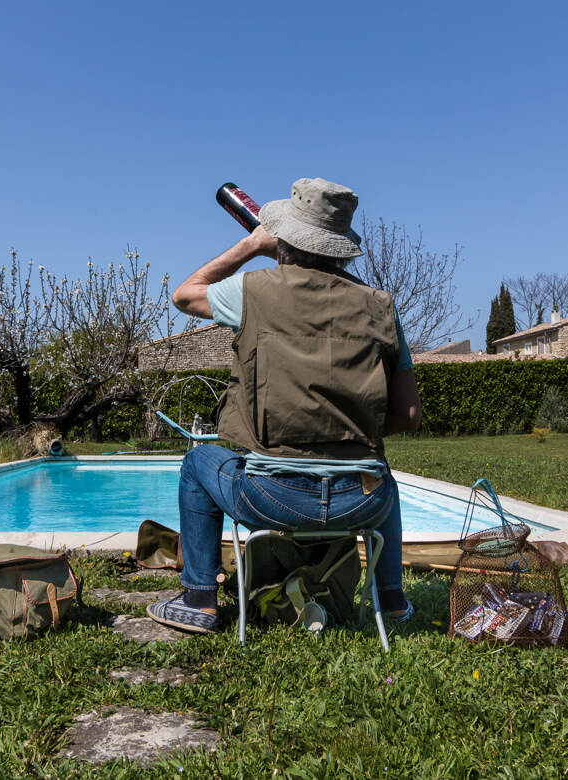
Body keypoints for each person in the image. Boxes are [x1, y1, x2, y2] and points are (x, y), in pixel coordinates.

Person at [146, 177, 422, 634]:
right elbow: (408, 416)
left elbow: (184, 294)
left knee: (198, 462)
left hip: (273, 501)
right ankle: (391, 603)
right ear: (339, 246)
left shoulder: (253, 291)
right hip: (362, 505)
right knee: (381, 477)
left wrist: (251, 247)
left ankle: (198, 598)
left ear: (284, 238)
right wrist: (347, 428)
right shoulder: (381, 307)